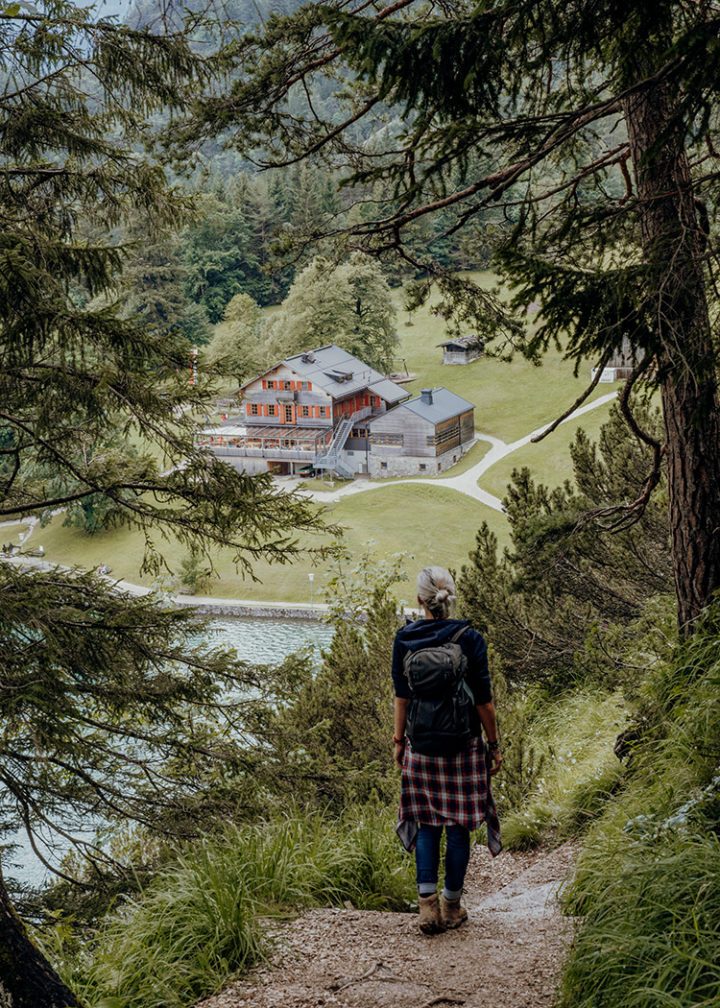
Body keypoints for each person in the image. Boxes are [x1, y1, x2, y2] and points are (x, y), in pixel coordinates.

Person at [392, 565, 502, 935]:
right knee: (458, 827)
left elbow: (401, 698)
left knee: (427, 824)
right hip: (464, 745)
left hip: (421, 747)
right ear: (450, 598)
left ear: (419, 600)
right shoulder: (469, 638)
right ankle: (452, 906)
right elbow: (484, 701)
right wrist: (494, 745)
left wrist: (397, 742)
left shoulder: (405, 638)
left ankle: (427, 909)